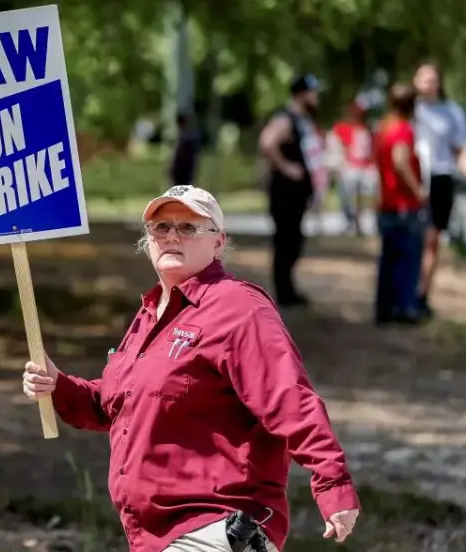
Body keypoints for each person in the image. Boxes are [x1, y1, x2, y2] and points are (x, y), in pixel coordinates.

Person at [22, 185, 361, 552]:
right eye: (160, 227)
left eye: (187, 227)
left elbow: (289, 399)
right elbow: (115, 403)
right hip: (155, 536)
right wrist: (56, 384)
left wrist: (332, 483)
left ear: (218, 242)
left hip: (216, 525)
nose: (171, 236)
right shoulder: (149, 315)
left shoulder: (239, 308)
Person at [413, 60, 466, 317]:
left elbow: (458, 150)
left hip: (440, 178)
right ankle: (404, 292)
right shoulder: (411, 110)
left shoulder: (450, 112)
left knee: (432, 240)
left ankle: (422, 293)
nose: (427, 83)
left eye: (431, 78)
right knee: (411, 238)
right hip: (415, 177)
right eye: (422, 78)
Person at [258, 73, 327, 307]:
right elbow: (267, 142)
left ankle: (289, 289)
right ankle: (284, 293)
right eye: (313, 92)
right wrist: (287, 168)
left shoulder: (303, 121)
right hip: (284, 193)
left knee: (294, 240)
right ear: (301, 94)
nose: (317, 97)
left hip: (297, 195)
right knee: (286, 241)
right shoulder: (285, 117)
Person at [374, 83, 427, 325]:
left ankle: (384, 307)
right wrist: (418, 190)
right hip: (404, 205)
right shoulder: (403, 130)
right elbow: (400, 160)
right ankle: (405, 308)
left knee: (389, 259)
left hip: (387, 203)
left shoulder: (383, 128)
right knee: (407, 258)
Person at [329, 98, 377, 235]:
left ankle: (360, 223)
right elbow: (338, 149)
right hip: (349, 166)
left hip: (365, 167)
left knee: (367, 193)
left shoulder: (367, 129)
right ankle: (350, 221)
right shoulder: (342, 128)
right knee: (348, 192)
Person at [169, 112, 201, 187]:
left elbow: (180, 156)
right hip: (186, 167)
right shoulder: (189, 135)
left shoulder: (186, 137)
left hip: (183, 168)